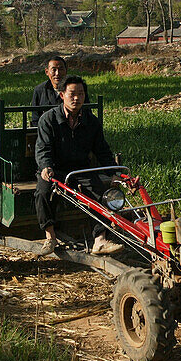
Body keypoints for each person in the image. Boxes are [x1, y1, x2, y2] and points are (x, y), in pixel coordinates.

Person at [34, 75, 124, 257]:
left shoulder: (91, 121)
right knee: (42, 192)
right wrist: (46, 167)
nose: (76, 98)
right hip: (55, 170)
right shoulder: (48, 120)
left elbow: (103, 151)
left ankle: (99, 240)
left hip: (80, 170)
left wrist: (113, 173)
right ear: (62, 95)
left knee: (101, 192)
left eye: (81, 94)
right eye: (72, 94)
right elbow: (43, 148)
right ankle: (50, 236)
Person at [31, 56, 67, 123]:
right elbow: (35, 118)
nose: (57, 73)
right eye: (54, 70)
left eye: (61, 69)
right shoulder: (39, 90)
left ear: (66, 70)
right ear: (47, 72)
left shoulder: (76, 89)